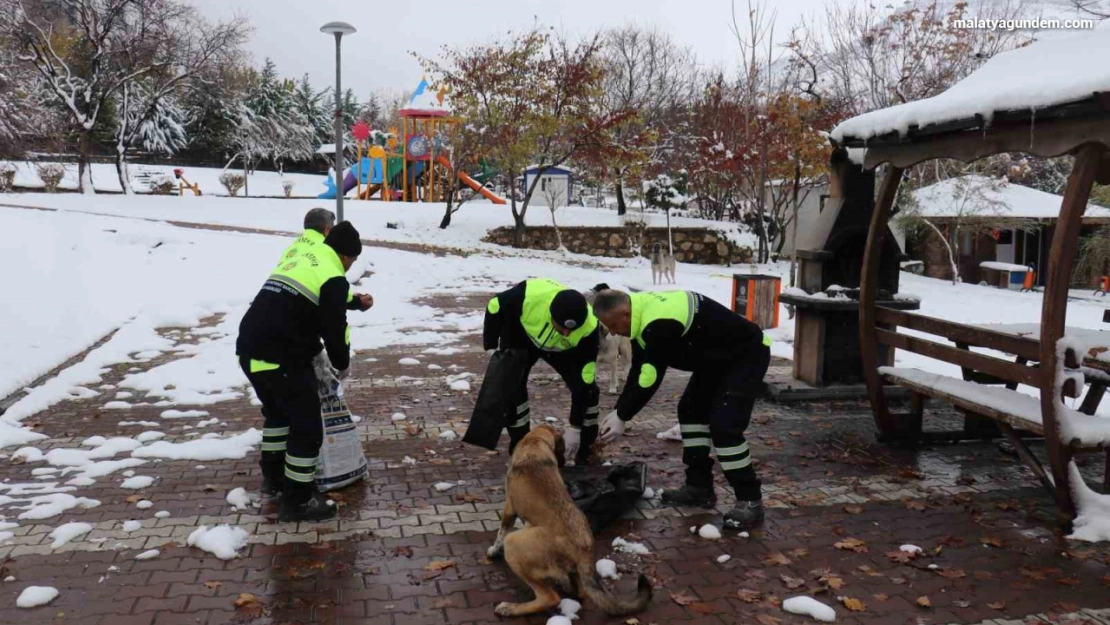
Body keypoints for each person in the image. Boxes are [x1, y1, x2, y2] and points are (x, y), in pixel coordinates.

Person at [592, 289, 772, 530]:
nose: (613, 332)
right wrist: (619, 411)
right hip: (716, 358)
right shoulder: (641, 314)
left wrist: (623, 415)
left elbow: (650, 375)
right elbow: (639, 368)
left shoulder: (657, 323)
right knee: (690, 410)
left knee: (725, 427)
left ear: (625, 313)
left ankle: (750, 500)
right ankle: (699, 488)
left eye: (612, 325)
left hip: (746, 355)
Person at [236, 221, 363, 522]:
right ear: (346, 256)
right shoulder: (334, 274)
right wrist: (342, 365)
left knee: (279, 416)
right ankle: (297, 501)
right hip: (282, 357)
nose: (350, 267)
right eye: (353, 261)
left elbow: (318, 300)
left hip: (250, 349)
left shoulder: (307, 257)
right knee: (306, 430)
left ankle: (275, 479)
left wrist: (355, 302)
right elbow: (335, 329)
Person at [482, 278, 601, 465]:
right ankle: (520, 447)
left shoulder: (590, 329)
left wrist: (575, 427)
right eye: (561, 328)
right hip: (522, 336)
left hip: (562, 350)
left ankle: (585, 448)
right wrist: (490, 346)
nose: (567, 333)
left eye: (571, 330)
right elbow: (494, 306)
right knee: (512, 387)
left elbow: (585, 380)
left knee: (589, 390)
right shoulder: (526, 296)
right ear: (550, 315)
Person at [282, 208, 374, 312]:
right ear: (327, 230)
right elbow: (333, 286)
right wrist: (357, 301)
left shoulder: (293, 247)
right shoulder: (323, 248)